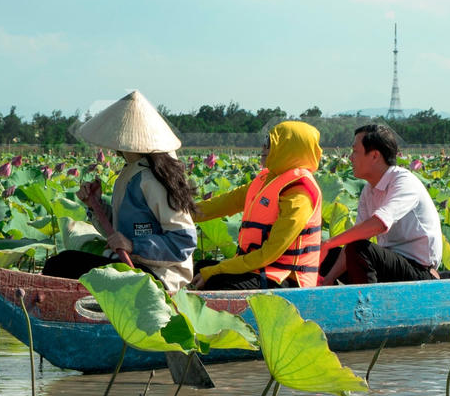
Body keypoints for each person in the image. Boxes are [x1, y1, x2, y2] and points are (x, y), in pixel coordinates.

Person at [40, 90, 197, 292]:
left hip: (160, 277)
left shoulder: (154, 180)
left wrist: (134, 245)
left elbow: (183, 242)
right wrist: (95, 205)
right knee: (63, 263)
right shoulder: (130, 173)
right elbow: (117, 232)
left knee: (63, 264)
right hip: (131, 266)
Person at [190, 120, 323, 290]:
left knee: (215, 282)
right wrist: (182, 212)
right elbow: (226, 202)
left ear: (287, 149)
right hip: (257, 270)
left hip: (284, 279)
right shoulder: (266, 179)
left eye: (269, 143)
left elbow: (268, 255)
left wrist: (216, 270)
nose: (263, 147)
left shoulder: (299, 193)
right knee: (199, 267)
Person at [319, 124, 442, 284]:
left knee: (358, 249)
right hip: (389, 264)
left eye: (355, 151)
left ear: (375, 156)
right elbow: (355, 240)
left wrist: (329, 242)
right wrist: (329, 278)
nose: (350, 158)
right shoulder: (368, 190)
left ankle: (368, 306)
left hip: (419, 271)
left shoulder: (404, 181)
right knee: (329, 255)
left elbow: (381, 223)